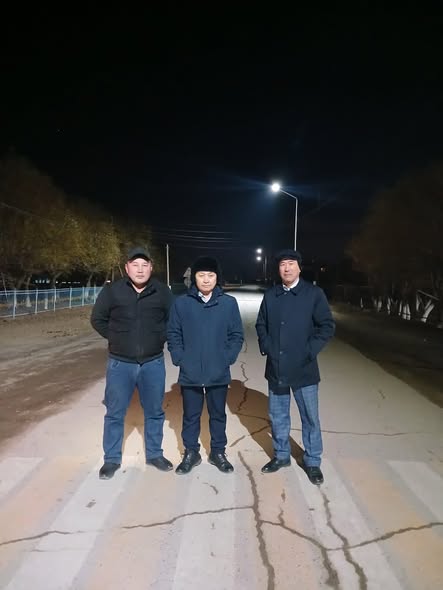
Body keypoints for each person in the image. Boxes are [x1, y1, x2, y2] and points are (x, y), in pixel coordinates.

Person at [91, 246, 173, 479]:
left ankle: (155, 454)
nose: (140, 269)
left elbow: (172, 319)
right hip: (120, 364)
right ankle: (111, 459)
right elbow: (97, 319)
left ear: (151, 268)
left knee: (154, 411)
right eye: (135, 265)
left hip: (152, 363)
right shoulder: (112, 291)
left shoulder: (162, 291)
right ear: (127, 268)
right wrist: (116, 338)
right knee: (115, 413)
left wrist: (159, 337)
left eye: (144, 265)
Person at [255, 249, 335, 485]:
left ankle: (312, 461)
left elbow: (326, 326)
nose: (287, 268)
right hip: (277, 366)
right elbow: (261, 324)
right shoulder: (271, 295)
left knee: (310, 417)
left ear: (299, 267)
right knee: (277, 415)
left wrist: (308, 352)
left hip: (304, 369)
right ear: (278, 269)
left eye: (291, 263)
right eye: (282, 264)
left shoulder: (313, 294)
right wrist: (267, 346)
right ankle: (281, 455)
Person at [167, 256, 244, 475]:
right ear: (195, 278)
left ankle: (218, 452)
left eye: (211, 275)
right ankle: (191, 452)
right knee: (190, 416)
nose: (206, 279)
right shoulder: (182, 303)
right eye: (201, 275)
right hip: (190, 371)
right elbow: (173, 333)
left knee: (218, 415)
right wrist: (179, 358)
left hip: (218, 371)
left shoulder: (228, 303)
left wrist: (227, 358)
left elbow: (236, 335)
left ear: (217, 278)